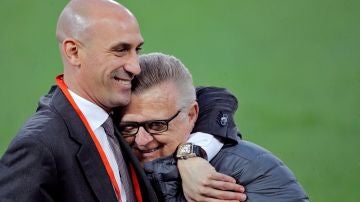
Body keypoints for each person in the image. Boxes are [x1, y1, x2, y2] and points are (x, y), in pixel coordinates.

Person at [0, 0, 246, 201]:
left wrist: (191, 155)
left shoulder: (113, 107)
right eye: (120, 50)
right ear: (74, 52)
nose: (135, 66)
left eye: (136, 50)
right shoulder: (39, 145)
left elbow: (213, 98)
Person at [117, 52, 310, 201]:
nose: (142, 140)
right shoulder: (108, 153)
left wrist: (189, 153)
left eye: (157, 125)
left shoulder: (249, 173)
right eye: (129, 127)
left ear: (192, 114)